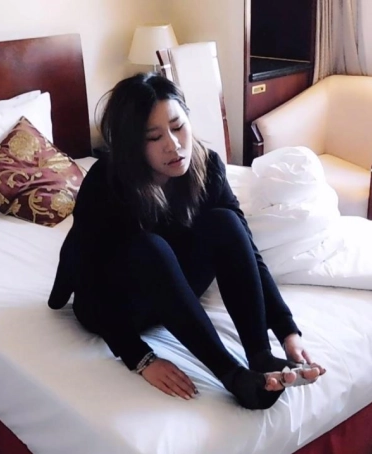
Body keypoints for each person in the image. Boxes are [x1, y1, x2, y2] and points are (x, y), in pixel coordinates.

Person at [48, 73, 325, 410]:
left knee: (225, 222)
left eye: (178, 127)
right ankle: (232, 375)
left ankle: (260, 357)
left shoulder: (207, 167)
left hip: (172, 290)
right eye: (154, 137)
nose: (173, 145)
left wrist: (286, 330)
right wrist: (141, 358)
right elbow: (89, 278)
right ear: (131, 145)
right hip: (115, 303)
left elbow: (245, 250)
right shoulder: (107, 183)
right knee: (150, 247)